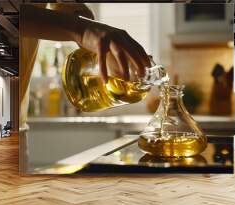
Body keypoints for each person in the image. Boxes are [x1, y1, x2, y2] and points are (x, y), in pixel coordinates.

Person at [19, 4, 151, 127]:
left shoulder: (140, 91)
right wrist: (82, 29)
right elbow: (3, 12)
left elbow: (61, 8)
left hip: (19, 122)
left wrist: (78, 13)